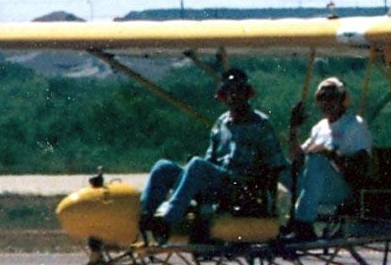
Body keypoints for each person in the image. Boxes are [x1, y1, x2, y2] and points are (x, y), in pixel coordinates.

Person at [139, 68, 286, 244]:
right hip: (217, 181)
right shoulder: (221, 122)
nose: (233, 96)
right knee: (163, 167)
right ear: (223, 96)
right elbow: (210, 159)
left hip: (240, 186)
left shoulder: (260, 124)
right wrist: (190, 172)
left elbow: (275, 165)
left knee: (197, 165)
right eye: (229, 92)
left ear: (247, 94)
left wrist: (268, 204)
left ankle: (169, 219)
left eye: (238, 91)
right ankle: (145, 218)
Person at [282, 76, 373, 242]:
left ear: (343, 100)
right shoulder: (319, 127)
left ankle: (303, 225)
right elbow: (297, 159)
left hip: (342, 189)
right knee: (278, 165)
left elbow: (361, 168)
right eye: (322, 98)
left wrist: (329, 154)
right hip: (314, 186)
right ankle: (277, 222)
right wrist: (294, 129)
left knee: (317, 160)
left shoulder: (355, 124)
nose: (326, 102)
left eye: (332, 97)